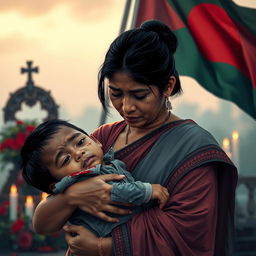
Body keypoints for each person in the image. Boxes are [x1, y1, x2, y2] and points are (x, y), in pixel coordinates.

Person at [32, 20, 237, 256]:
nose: (126, 107)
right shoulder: (102, 139)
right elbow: (44, 222)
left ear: (168, 86)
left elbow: (191, 233)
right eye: (116, 93)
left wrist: (102, 247)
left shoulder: (194, 149)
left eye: (139, 95)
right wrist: (71, 197)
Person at [21, 119, 169, 237]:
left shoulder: (109, 162)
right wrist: (147, 190)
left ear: (96, 141)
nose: (79, 153)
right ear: (55, 185)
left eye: (80, 142)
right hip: (109, 237)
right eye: (65, 160)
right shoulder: (82, 179)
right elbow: (116, 192)